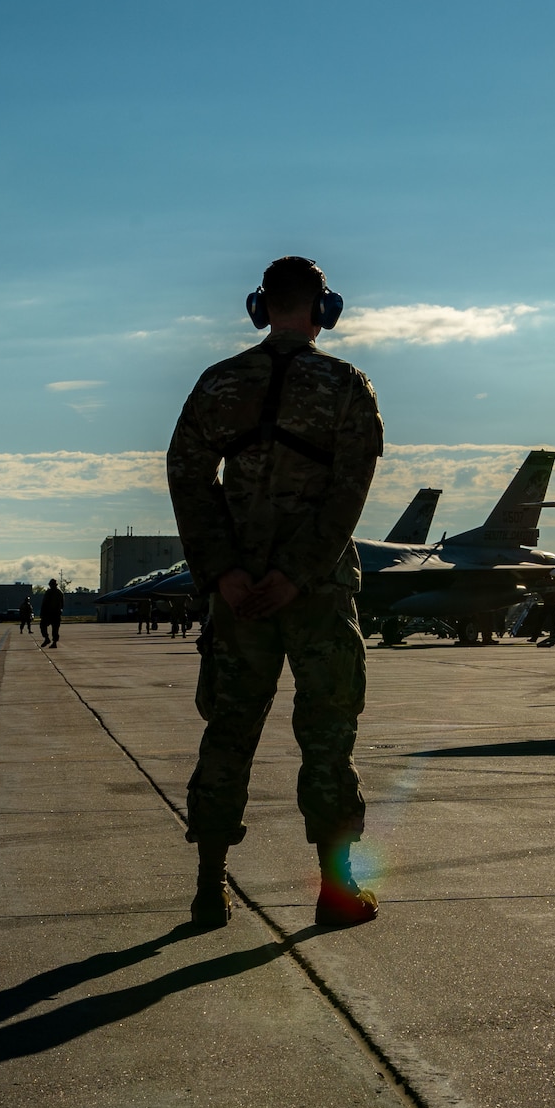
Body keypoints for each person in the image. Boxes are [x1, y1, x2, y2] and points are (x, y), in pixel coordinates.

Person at [167, 256, 384, 932]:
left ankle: (209, 891)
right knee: (327, 735)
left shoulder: (219, 383)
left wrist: (223, 570)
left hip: (238, 596)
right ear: (324, 309)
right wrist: (297, 571)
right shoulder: (346, 385)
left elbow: (186, 474)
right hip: (315, 591)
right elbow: (349, 492)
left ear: (261, 307)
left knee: (228, 733)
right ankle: (335, 890)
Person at [38, 579, 64, 648]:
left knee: (44, 626)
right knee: (54, 629)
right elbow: (62, 604)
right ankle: (51, 641)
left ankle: (48, 639)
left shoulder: (49, 592)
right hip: (55, 614)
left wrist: (42, 613)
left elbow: (44, 603)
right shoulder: (60, 593)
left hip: (49, 614)